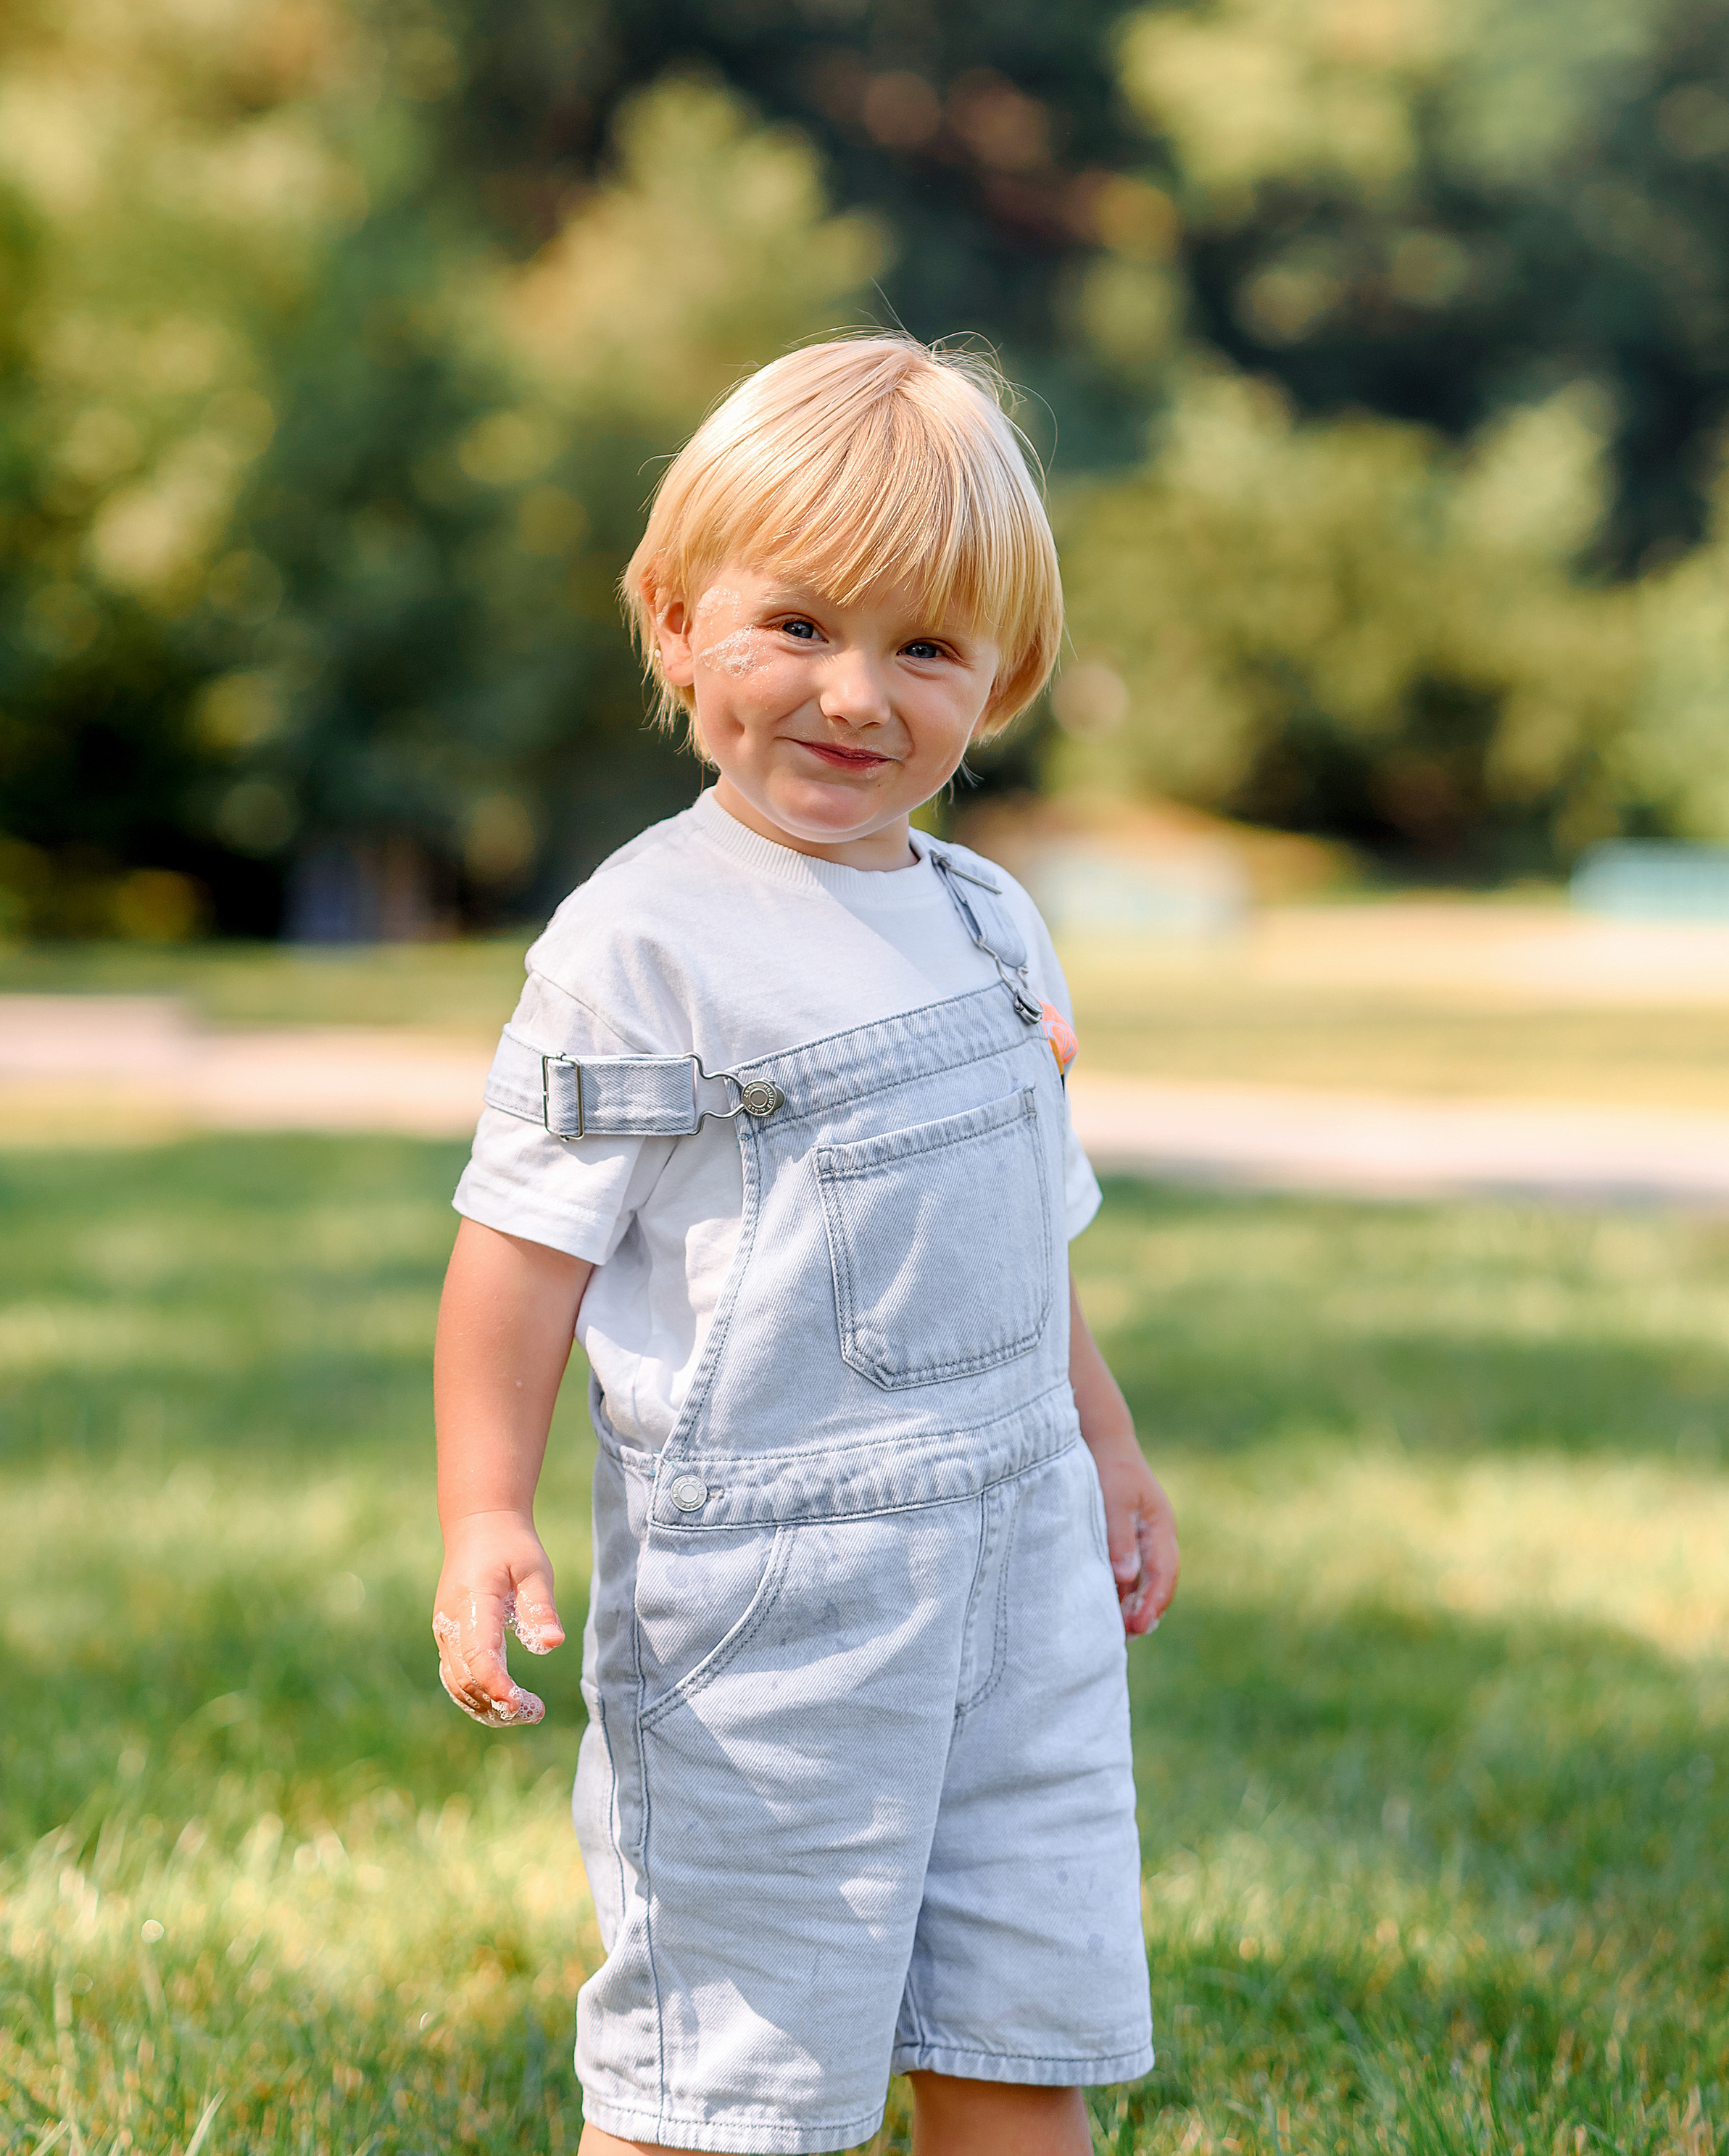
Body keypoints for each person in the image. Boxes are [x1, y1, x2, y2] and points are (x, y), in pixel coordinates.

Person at [432, 335, 1179, 2156]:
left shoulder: (992, 923)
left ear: (999, 679)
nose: (853, 695)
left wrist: (1103, 1443)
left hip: (1021, 1573)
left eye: (923, 649)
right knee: (723, 2071)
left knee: (1019, 2027)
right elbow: (516, 1251)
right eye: (796, 627)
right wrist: (483, 1510)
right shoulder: (643, 939)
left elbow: (1025, 1232)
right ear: (677, 624)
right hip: (777, 1612)